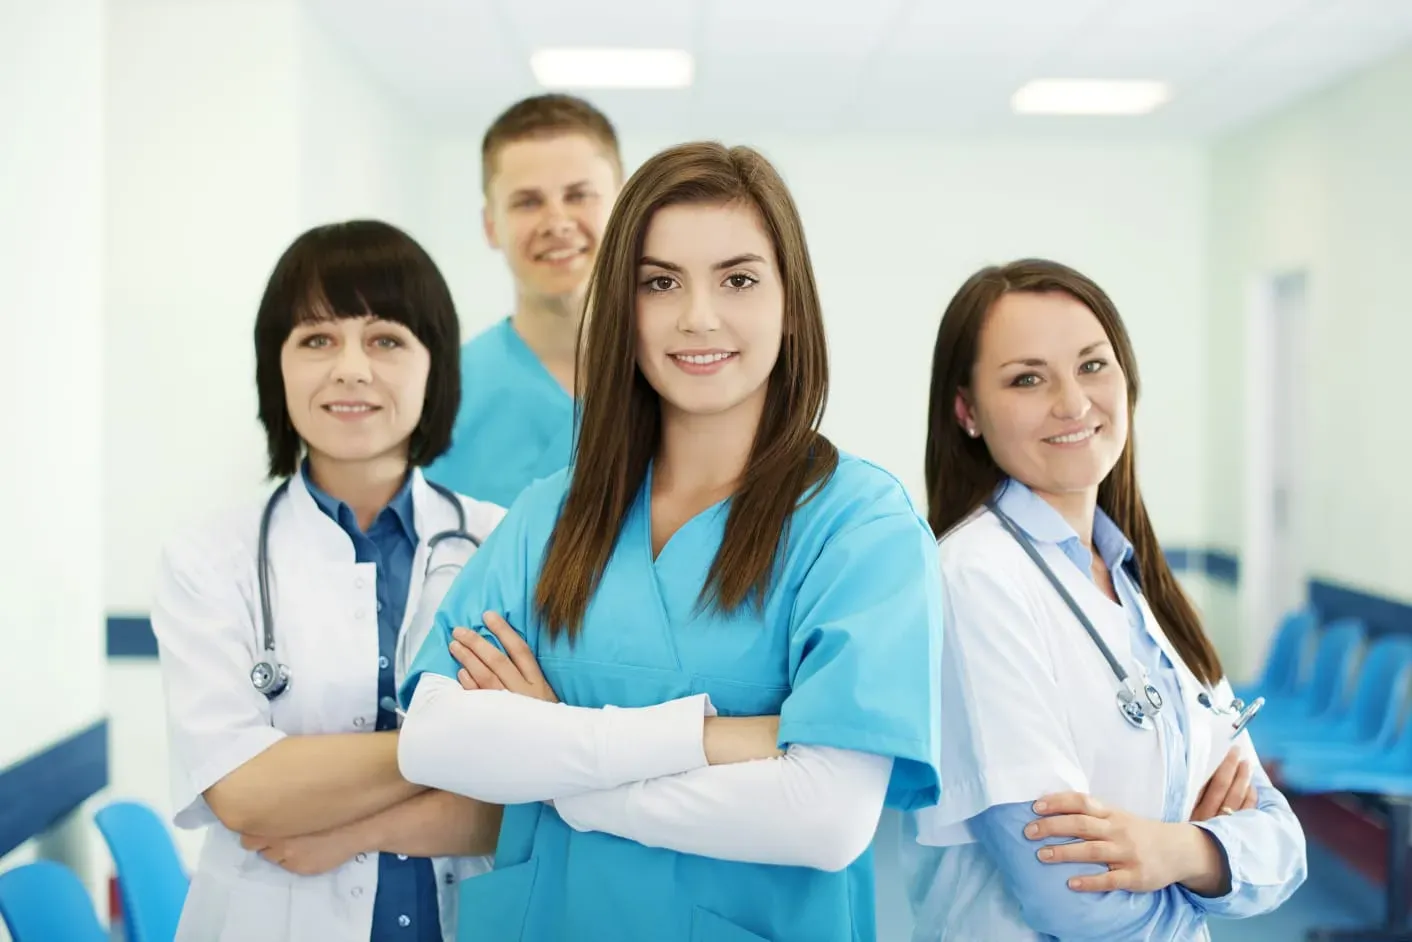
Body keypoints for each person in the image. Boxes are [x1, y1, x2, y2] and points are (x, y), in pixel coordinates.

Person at [396, 142, 944, 942]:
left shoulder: (860, 528)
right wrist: (700, 739)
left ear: (792, 301)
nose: (698, 316)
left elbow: (823, 817)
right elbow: (435, 738)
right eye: (660, 282)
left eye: (739, 279)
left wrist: (562, 773)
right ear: (624, 306)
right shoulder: (556, 513)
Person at [900, 258, 1307, 940]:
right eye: (1027, 378)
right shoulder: (973, 579)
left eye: (1093, 365)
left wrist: (1174, 850)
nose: (1072, 402)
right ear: (967, 411)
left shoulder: (1141, 587)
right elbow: (1071, 894)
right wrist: (1210, 867)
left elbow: (1282, 845)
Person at [149, 220, 512, 942]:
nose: (350, 367)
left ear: (434, 365)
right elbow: (243, 791)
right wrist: (463, 750)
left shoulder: (504, 545)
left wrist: (341, 827)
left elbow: (537, 792)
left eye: (386, 340)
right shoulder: (208, 560)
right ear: (274, 367)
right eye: (316, 339)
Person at [423, 93, 623, 506]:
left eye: (579, 195)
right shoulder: (441, 399)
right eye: (528, 202)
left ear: (625, 206)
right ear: (491, 225)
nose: (557, 223)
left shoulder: (682, 379)